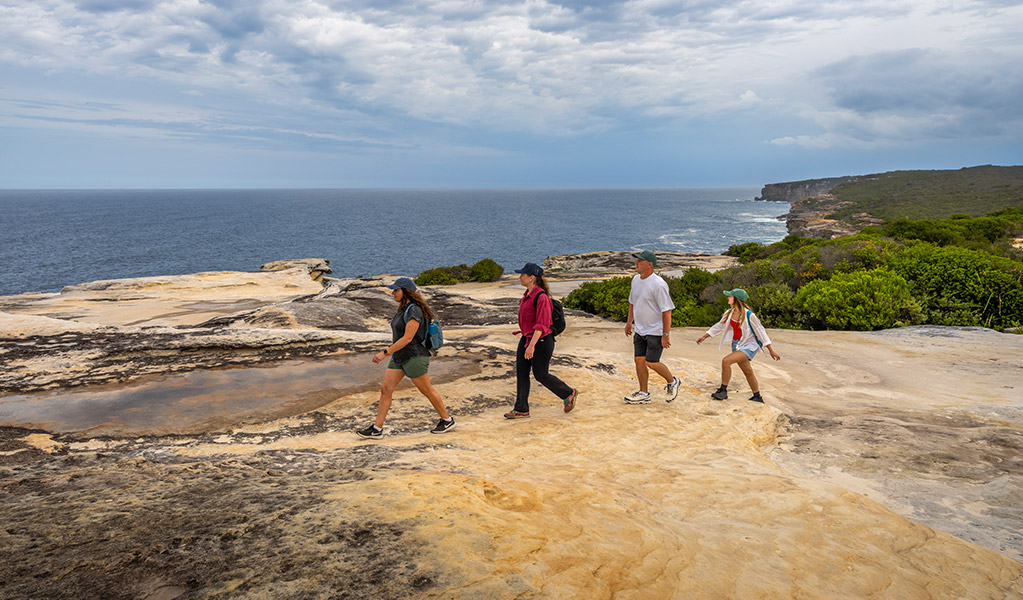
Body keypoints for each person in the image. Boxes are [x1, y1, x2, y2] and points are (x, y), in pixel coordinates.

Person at [356, 277, 455, 438]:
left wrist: (384, 353)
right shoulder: (403, 309)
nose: (393, 293)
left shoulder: (414, 310)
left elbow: (408, 338)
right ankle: (377, 429)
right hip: (400, 356)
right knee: (386, 389)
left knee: (426, 390)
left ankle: (447, 419)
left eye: (396, 290)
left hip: (414, 356)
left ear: (405, 291)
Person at [504, 262, 578, 419]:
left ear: (532, 278)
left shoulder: (541, 297)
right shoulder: (527, 296)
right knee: (522, 373)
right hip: (527, 338)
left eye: (522, 275)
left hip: (541, 341)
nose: (520, 277)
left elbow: (542, 325)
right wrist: (526, 339)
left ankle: (568, 393)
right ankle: (521, 408)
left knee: (541, 374)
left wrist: (531, 346)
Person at [696, 288, 781, 402]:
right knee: (747, 371)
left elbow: (761, 332)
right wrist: (704, 336)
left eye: (730, 296)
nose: (728, 298)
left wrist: (771, 350)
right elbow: (719, 326)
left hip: (749, 346)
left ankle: (723, 390)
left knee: (726, 361)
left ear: (736, 299)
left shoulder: (749, 315)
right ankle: (757, 396)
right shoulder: (729, 312)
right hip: (737, 345)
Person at [624, 250, 681, 404]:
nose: (636, 264)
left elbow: (666, 310)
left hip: (655, 330)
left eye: (639, 261)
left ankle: (673, 382)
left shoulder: (659, 284)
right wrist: (629, 322)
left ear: (650, 264)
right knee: (639, 361)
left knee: (651, 362)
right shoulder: (635, 280)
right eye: (636, 261)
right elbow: (632, 302)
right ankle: (644, 393)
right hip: (640, 329)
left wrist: (665, 334)